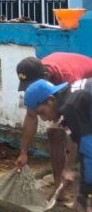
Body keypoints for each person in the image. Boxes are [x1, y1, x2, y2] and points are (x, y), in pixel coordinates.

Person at [15, 54, 92, 196]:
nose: (43, 119)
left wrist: (70, 167)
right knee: (54, 133)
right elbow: (31, 116)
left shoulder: (69, 80)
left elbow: (75, 133)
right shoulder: (36, 77)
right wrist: (23, 152)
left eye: (42, 113)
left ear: (45, 77)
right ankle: (60, 187)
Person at [24, 79, 92, 212]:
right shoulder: (67, 101)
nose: (44, 118)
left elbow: (88, 152)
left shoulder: (72, 106)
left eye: (42, 112)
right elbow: (76, 140)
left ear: (50, 100)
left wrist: (82, 197)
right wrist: (68, 168)